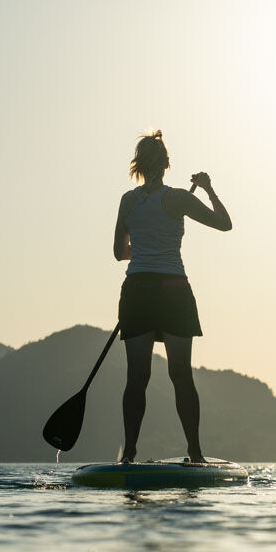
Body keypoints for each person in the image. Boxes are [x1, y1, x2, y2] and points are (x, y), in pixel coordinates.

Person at [112, 130, 231, 464]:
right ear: (166, 163)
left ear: (138, 164)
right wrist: (208, 189)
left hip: (137, 289)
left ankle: (129, 455)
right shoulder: (179, 198)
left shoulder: (127, 200)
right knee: (181, 375)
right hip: (174, 290)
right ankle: (195, 452)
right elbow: (225, 224)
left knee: (137, 377)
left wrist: (144, 247)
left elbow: (119, 252)